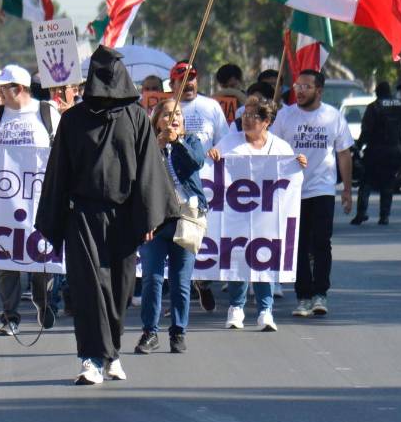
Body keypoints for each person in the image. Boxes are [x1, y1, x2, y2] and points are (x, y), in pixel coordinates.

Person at [36, 46, 179, 386]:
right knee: (88, 287)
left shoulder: (136, 118)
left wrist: (149, 218)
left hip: (125, 216)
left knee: (119, 289)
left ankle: (111, 352)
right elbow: (59, 171)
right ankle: (90, 358)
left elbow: (149, 169)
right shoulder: (73, 120)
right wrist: (56, 218)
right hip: (83, 216)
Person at [208, 99, 306, 332]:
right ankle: (236, 307)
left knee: (264, 258)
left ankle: (265, 310)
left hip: (267, 216)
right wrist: (212, 154)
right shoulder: (230, 142)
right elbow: (212, 166)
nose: (247, 119)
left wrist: (298, 163)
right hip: (235, 213)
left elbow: (291, 177)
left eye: (253, 116)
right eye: (245, 114)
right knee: (237, 256)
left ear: (266, 121)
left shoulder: (280, 147)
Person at [0, 64, 61, 336]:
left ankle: (43, 300)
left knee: (41, 258)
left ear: (20, 88)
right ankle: (10, 316)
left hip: (40, 199)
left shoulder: (46, 112)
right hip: (5, 200)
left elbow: (62, 148)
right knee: (6, 260)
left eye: (3, 88)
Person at [271, 69, 354, 318]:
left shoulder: (333, 116)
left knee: (321, 243)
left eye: (306, 86)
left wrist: (347, 189)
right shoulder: (285, 116)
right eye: (298, 86)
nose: (300, 90)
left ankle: (320, 294)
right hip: (292, 190)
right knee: (297, 245)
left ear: (319, 91)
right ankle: (303, 297)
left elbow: (343, 153)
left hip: (322, 189)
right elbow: (271, 148)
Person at [135, 98, 204, 355]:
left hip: (185, 218)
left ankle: (178, 331)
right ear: (156, 121)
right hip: (156, 219)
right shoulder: (147, 145)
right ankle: (149, 332)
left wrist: (177, 143)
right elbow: (139, 175)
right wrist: (158, 146)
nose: (172, 119)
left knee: (180, 281)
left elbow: (196, 163)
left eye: (177, 115)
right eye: (166, 114)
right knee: (152, 279)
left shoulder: (191, 141)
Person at [352, 82, 401, 226]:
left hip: (375, 151)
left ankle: (361, 213)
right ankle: (384, 216)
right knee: (388, 184)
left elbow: (366, 131)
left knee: (366, 182)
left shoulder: (374, 107)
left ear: (377, 93)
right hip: (394, 151)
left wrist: (358, 147)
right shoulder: (400, 104)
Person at [171, 62, 229, 148]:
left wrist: (216, 150)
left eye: (191, 79)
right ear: (172, 85)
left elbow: (225, 141)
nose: (188, 83)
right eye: (183, 79)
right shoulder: (163, 108)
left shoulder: (212, 106)